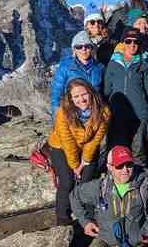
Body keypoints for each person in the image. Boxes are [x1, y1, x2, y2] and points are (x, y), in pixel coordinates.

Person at [47, 78, 110, 225]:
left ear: (91, 93)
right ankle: (63, 218)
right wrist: (75, 165)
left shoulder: (104, 112)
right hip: (60, 147)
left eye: (84, 94)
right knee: (67, 181)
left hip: (86, 149)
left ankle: (88, 218)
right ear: (70, 99)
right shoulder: (63, 112)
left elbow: (95, 140)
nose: (81, 99)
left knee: (87, 181)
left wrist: (84, 162)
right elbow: (67, 141)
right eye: (76, 96)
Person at [104, 27, 148, 159]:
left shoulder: (146, 64)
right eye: (128, 41)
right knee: (118, 152)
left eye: (136, 42)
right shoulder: (113, 63)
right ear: (122, 43)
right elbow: (106, 90)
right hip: (117, 116)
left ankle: (141, 179)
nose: (132, 45)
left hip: (139, 116)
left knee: (138, 153)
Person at [50, 31, 105, 116]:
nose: (83, 49)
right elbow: (56, 96)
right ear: (74, 50)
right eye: (79, 47)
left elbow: (102, 94)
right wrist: (57, 120)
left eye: (87, 46)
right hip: (72, 116)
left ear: (92, 48)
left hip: (94, 116)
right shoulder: (65, 67)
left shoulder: (99, 68)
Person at [84, 2, 115, 67]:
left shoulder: (111, 41)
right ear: (86, 25)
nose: (96, 24)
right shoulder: (82, 44)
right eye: (92, 22)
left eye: (99, 21)